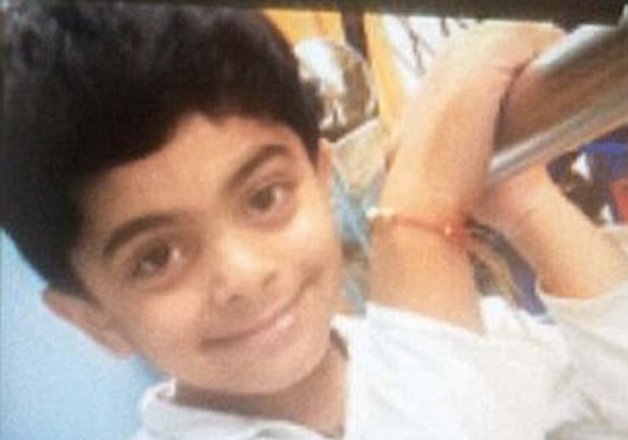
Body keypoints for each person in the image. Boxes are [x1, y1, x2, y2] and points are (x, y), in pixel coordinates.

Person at [2, 2, 628, 439]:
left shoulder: (471, 335)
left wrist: (524, 202)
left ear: (321, 178)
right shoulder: (434, 332)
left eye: (265, 198)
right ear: (95, 318)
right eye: (157, 257)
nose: (244, 274)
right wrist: (421, 212)